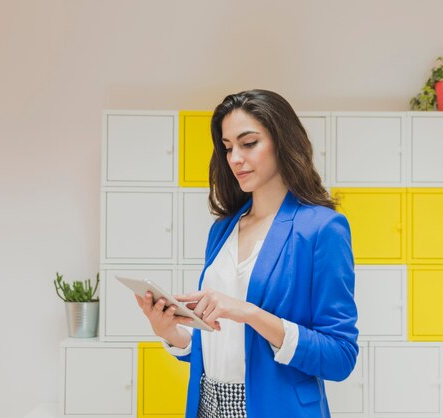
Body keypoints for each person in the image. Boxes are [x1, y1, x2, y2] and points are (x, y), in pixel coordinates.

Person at [136, 89, 358, 418]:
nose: (235, 158)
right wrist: (170, 331)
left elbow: (341, 356)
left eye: (248, 143)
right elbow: (223, 347)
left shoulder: (322, 228)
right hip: (207, 406)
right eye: (227, 148)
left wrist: (249, 313)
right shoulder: (222, 230)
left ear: (283, 141)